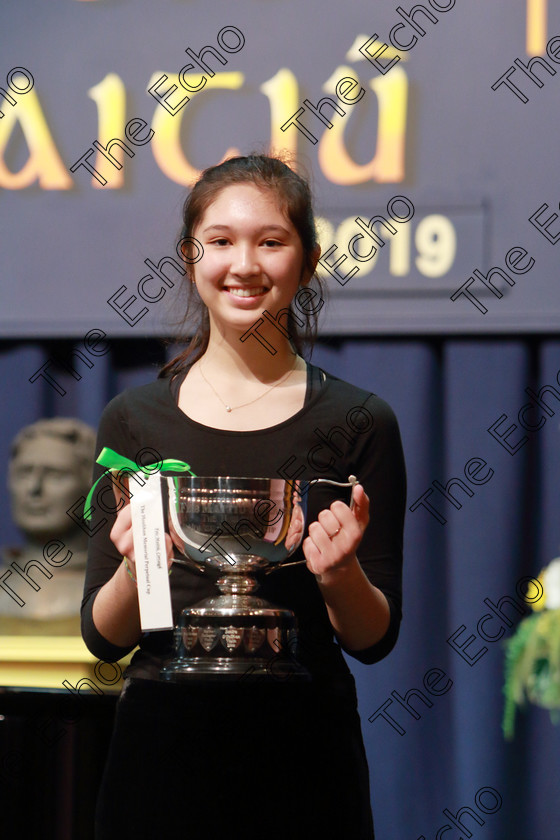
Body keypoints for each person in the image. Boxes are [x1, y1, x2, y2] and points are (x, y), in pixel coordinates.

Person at [81, 154, 406, 840]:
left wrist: (341, 572)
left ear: (309, 261)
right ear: (190, 256)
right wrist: (139, 568)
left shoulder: (360, 420)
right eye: (221, 241)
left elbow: (373, 638)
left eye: (271, 241)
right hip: (162, 744)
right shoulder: (134, 421)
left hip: (303, 748)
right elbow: (103, 638)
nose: (244, 264)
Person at [0, 417, 96, 633]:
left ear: (91, 486)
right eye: (24, 473)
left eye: (55, 475)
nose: (34, 489)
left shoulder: (114, 592)